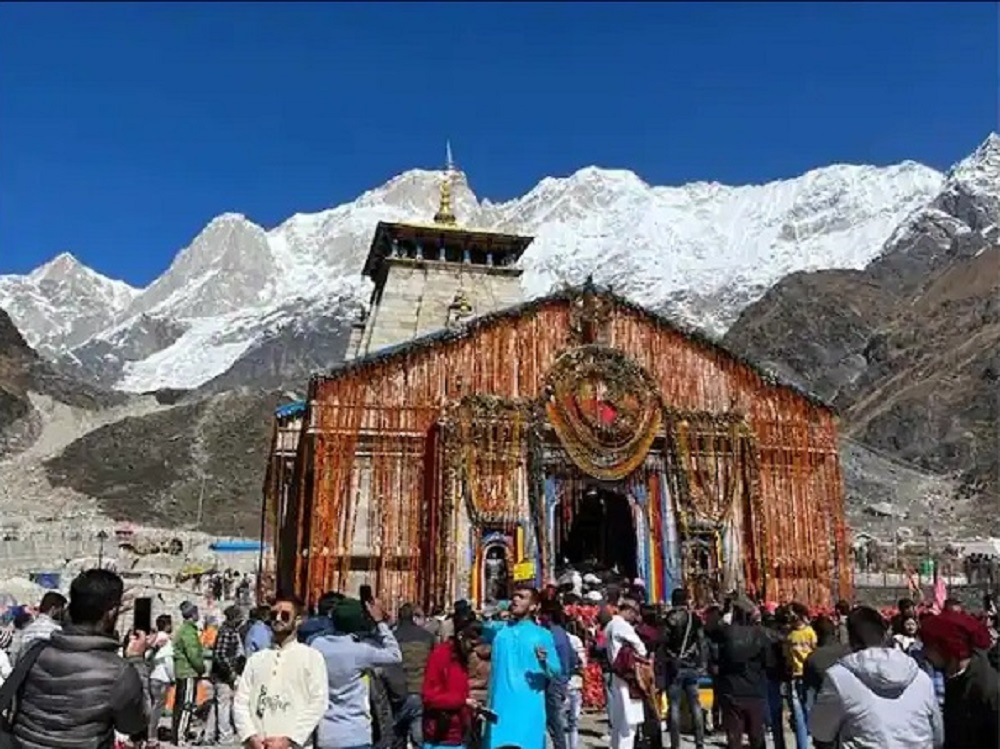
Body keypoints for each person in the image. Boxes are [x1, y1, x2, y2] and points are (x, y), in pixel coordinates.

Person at [8, 568, 149, 747]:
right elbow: (133, 724)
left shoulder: (33, 651)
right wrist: (137, 660)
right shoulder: (118, 672)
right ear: (111, 613)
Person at [809, 605, 943, 749]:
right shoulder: (920, 676)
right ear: (885, 635)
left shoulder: (839, 678)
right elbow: (937, 735)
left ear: (851, 640)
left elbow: (821, 733)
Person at [233, 593, 328, 749]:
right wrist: (250, 736)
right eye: (273, 614)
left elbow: (319, 702)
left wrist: (289, 740)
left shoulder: (312, 657)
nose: (277, 618)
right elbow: (240, 702)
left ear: (298, 621)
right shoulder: (256, 659)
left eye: (284, 615)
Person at [311, 596, 403, 749]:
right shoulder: (361, 651)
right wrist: (380, 623)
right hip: (355, 732)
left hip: (326, 733)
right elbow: (395, 655)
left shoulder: (317, 645)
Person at [485, 585, 561, 749]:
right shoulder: (498, 630)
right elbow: (482, 623)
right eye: (514, 596)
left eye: (522, 597)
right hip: (499, 706)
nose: (515, 599)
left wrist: (544, 661)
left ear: (534, 606)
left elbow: (556, 671)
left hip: (528, 708)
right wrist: (500, 610)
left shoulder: (542, 635)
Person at [919, 609, 999, 749]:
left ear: (945, 647)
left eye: (929, 646)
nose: (925, 653)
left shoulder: (987, 689)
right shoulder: (954, 677)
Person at [711, 598, 772, 749]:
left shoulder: (726, 633)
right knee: (757, 734)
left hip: (731, 689)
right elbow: (769, 661)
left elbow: (712, 639)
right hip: (755, 688)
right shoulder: (761, 634)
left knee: (734, 735)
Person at [421, 614, 481, 749]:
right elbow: (429, 697)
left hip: (460, 734)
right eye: (471, 644)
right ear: (461, 636)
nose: (473, 649)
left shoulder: (463, 659)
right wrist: (462, 701)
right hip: (440, 736)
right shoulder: (441, 655)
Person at [662, 588, 707, 749]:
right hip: (691, 665)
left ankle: (675, 743)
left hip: (674, 667)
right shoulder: (694, 619)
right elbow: (701, 642)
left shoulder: (668, 619)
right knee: (695, 703)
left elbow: (664, 643)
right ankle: (699, 741)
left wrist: (671, 658)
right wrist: (703, 663)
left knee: (674, 705)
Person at [605, 598, 650, 749]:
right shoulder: (622, 626)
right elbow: (641, 648)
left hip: (617, 675)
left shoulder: (610, 625)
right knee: (629, 723)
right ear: (629, 611)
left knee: (618, 720)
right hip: (628, 676)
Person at [391, 603, 436, 749]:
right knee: (418, 736)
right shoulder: (427, 637)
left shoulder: (393, 638)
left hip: (398, 693)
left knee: (397, 735)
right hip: (421, 691)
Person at [206, 604, 245, 744]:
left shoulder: (229, 631)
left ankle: (208, 734)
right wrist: (231, 672)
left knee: (218, 704)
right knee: (224, 705)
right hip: (223, 676)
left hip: (223, 675)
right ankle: (225, 736)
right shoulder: (227, 632)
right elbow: (220, 655)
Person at [172, 600, 206, 744]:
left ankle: (178, 733)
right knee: (186, 705)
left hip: (182, 671)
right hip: (188, 672)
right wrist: (202, 668)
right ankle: (180, 736)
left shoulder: (184, 630)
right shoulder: (188, 632)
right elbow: (193, 654)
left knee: (179, 704)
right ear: (192, 614)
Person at [782, 602, 816, 749]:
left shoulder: (795, 635)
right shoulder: (804, 633)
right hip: (802, 675)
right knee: (805, 711)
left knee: (800, 713)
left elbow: (787, 656)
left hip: (800, 675)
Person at [802, 615, 851, 712]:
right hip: (849, 701)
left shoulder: (813, 658)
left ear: (816, 634)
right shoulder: (849, 652)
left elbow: (809, 686)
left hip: (825, 704)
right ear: (835, 631)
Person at [10, 591, 66, 662]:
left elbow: (14, 657)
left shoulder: (26, 629)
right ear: (53, 609)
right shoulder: (57, 632)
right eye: (61, 610)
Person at [147, 613, 175, 748]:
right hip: (163, 678)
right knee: (157, 709)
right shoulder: (166, 640)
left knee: (151, 706)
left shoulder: (153, 639)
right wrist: (173, 677)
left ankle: (148, 734)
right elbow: (168, 662)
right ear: (168, 625)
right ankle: (151, 737)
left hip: (152, 676)